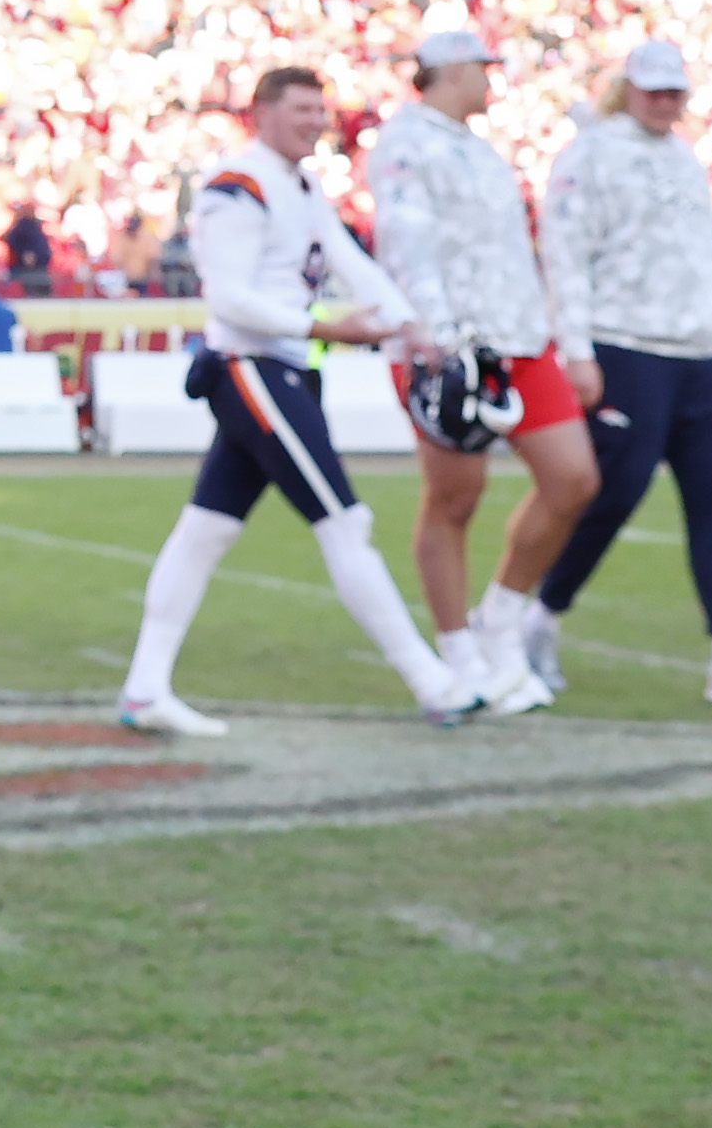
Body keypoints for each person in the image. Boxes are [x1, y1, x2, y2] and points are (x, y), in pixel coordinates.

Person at [115, 67, 477, 737]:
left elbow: (351, 264)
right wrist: (332, 328)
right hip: (251, 369)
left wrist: (414, 330)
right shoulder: (237, 187)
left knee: (206, 532)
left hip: (279, 368)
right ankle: (433, 681)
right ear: (263, 112)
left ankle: (144, 688)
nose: (316, 120)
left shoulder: (299, 184)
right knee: (344, 522)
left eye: (321, 109)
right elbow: (230, 299)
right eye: (302, 108)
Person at [362, 28, 590, 715]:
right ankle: (460, 651)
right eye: (481, 69)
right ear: (447, 71)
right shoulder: (405, 142)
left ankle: (501, 618)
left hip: (519, 336)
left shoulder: (481, 148)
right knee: (455, 496)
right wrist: (436, 335)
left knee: (574, 479)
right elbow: (407, 241)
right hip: (452, 344)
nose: (490, 79)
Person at [530, 40, 712, 704]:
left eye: (674, 92)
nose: (665, 102)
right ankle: (540, 616)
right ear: (627, 89)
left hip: (701, 348)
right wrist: (576, 348)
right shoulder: (590, 155)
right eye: (654, 90)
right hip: (626, 345)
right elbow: (566, 255)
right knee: (611, 495)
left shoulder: (684, 158)